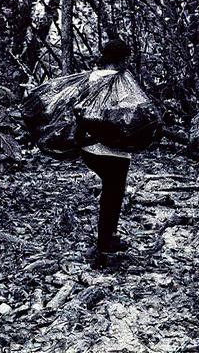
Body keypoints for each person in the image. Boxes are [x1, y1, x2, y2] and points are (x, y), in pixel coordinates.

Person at [80, 39, 134, 256]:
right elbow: (130, 111)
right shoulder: (122, 82)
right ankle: (103, 246)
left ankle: (109, 238)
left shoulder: (92, 77)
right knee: (113, 197)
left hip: (90, 148)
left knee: (109, 194)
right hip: (114, 150)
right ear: (123, 59)